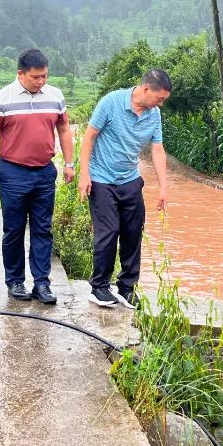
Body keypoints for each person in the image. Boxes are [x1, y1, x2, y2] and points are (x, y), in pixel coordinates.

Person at [0, 49, 74, 304]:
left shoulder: (55, 96)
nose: (41, 81)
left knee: (43, 229)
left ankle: (42, 284)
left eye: (45, 76)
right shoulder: (2, 98)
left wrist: (69, 163)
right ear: (20, 74)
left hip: (44, 172)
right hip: (13, 173)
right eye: (35, 77)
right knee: (14, 230)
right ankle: (15, 281)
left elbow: (64, 129)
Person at [78, 69, 171, 308]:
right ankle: (99, 287)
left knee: (133, 232)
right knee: (108, 232)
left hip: (130, 179)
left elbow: (157, 149)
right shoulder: (111, 102)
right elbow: (89, 137)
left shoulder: (154, 114)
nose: (160, 104)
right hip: (102, 178)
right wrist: (84, 174)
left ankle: (127, 288)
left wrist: (163, 187)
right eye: (159, 98)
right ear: (146, 89)